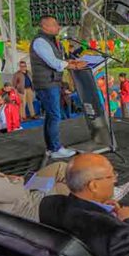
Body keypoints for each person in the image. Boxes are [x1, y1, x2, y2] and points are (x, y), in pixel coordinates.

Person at [30, 15, 87, 159]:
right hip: (46, 84)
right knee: (55, 115)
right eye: (54, 25)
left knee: (51, 116)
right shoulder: (40, 42)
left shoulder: (50, 41)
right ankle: (55, 149)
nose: (58, 27)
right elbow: (54, 63)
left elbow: (59, 61)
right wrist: (72, 65)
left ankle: (51, 148)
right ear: (45, 27)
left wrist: (72, 63)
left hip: (52, 82)